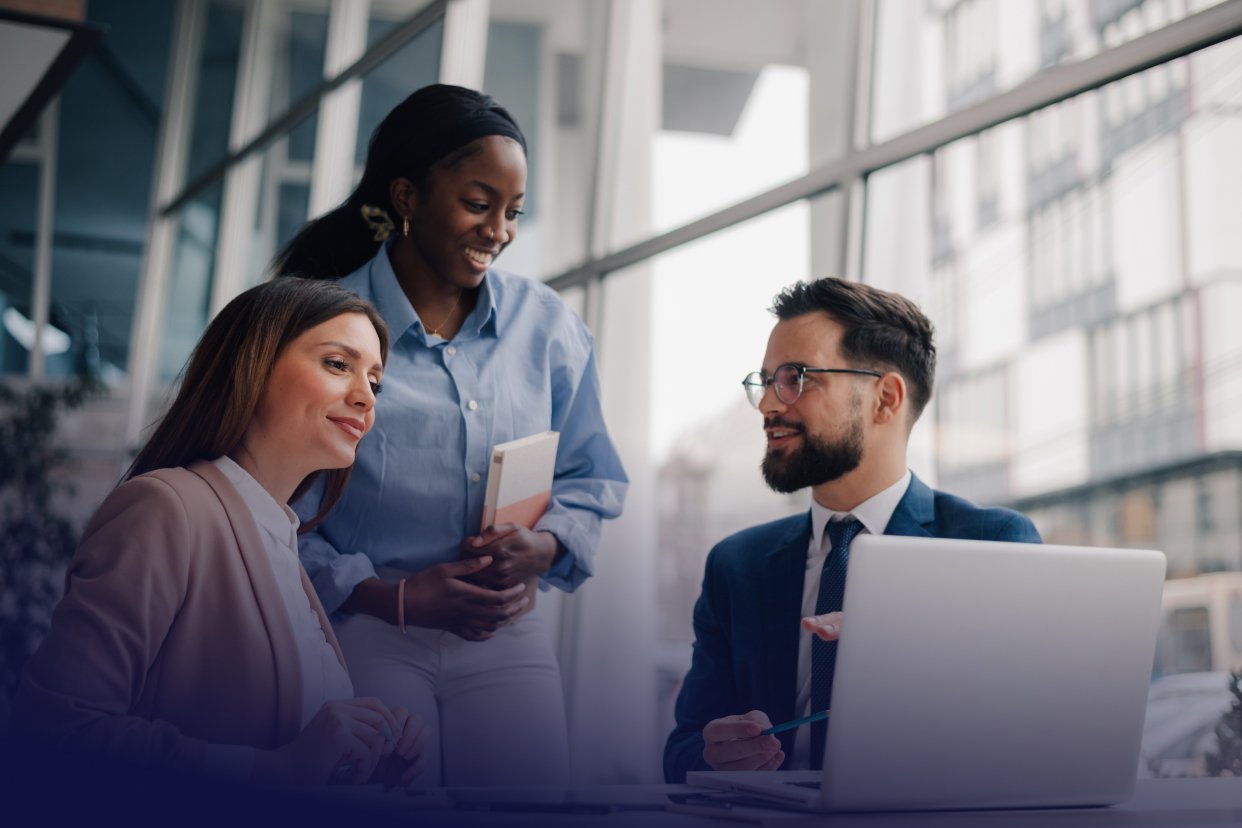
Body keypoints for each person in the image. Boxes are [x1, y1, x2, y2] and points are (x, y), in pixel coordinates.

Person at [273, 84, 628, 786]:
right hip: (368, 628)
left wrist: (544, 545)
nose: (498, 230)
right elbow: (274, 509)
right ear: (407, 197)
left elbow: (593, 477)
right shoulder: (320, 328)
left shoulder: (549, 327)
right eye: (477, 203)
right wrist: (392, 597)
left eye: (514, 211)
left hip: (505, 632)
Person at [13, 278, 425, 789]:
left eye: (376, 382)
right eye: (338, 365)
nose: (366, 397)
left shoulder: (279, 542)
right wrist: (275, 770)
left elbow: (290, 755)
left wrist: (364, 762)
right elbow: (55, 731)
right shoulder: (166, 508)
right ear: (252, 367)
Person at [663, 277, 1041, 783]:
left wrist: (908, 644)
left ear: (885, 399)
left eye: (796, 378)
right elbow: (683, 748)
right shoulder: (738, 565)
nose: (769, 405)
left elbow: (1029, 737)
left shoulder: (992, 547)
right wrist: (712, 756)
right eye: (767, 380)